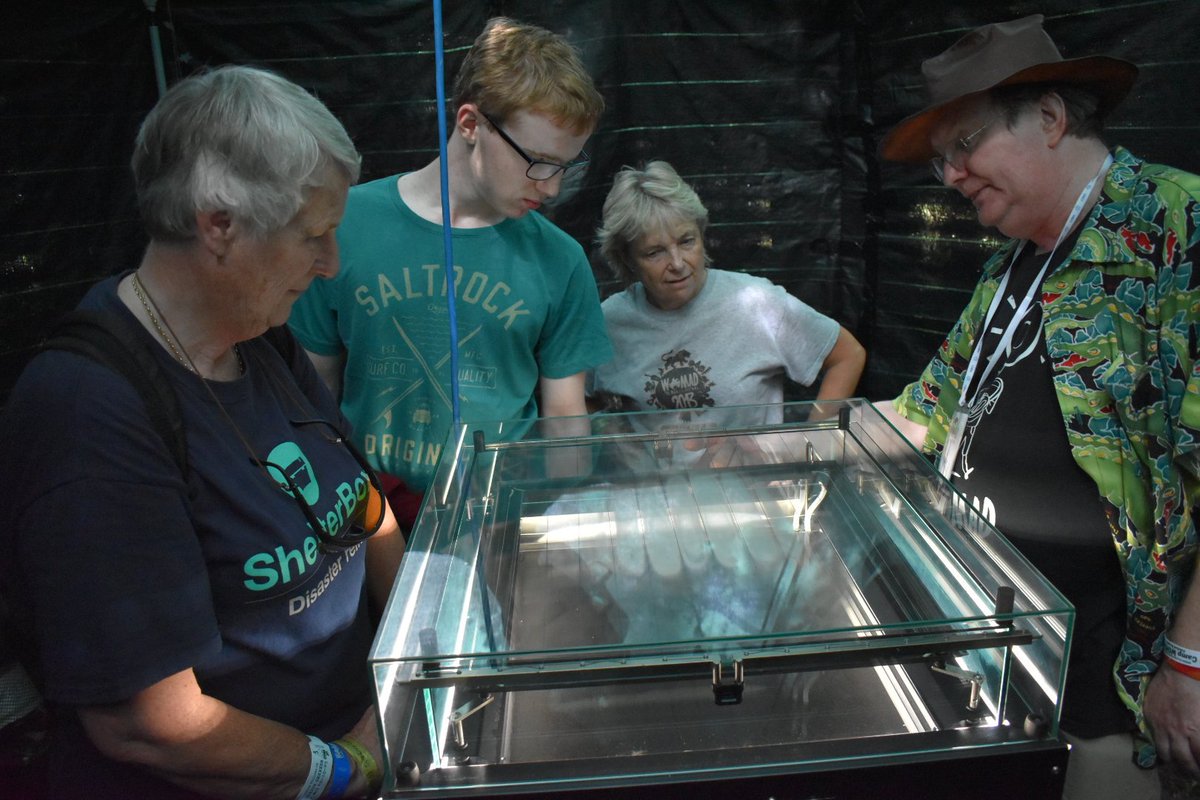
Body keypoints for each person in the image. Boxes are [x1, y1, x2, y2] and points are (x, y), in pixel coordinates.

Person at [0, 65, 405, 799]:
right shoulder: (89, 412)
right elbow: (153, 723)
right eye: (314, 236)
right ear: (218, 225)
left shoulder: (259, 335)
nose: (331, 263)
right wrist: (346, 767)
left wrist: (419, 646)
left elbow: (360, 503)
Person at [875, 15, 1200, 799]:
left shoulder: (1174, 224)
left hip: (1116, 679)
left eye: (965, 143)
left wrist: (1190, 663)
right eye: (941, 157)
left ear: (1050, 118)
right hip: (1009, 656)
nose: (949, 174)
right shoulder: (1013, 265)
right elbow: (926, 411)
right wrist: (768, 451)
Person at [289, 17, 612, 530]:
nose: (551, 189)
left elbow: (565, 423)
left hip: (502, 518)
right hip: (367, 518)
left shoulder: (561, 260)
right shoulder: (345, 228)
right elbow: (312, 397)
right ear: (470, 123)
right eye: (539, 161)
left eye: (565, 167)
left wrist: (561, 521)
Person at [590, 160, 865, 414]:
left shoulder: (756, 302)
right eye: (654, 252)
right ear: (627, 258)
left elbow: (847, 356)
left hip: (750, 468)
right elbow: (578, 403)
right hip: (651, 470)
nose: (677, 263)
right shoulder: (609, 322)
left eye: (687, 241)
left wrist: (816, 439)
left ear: (702, 233)